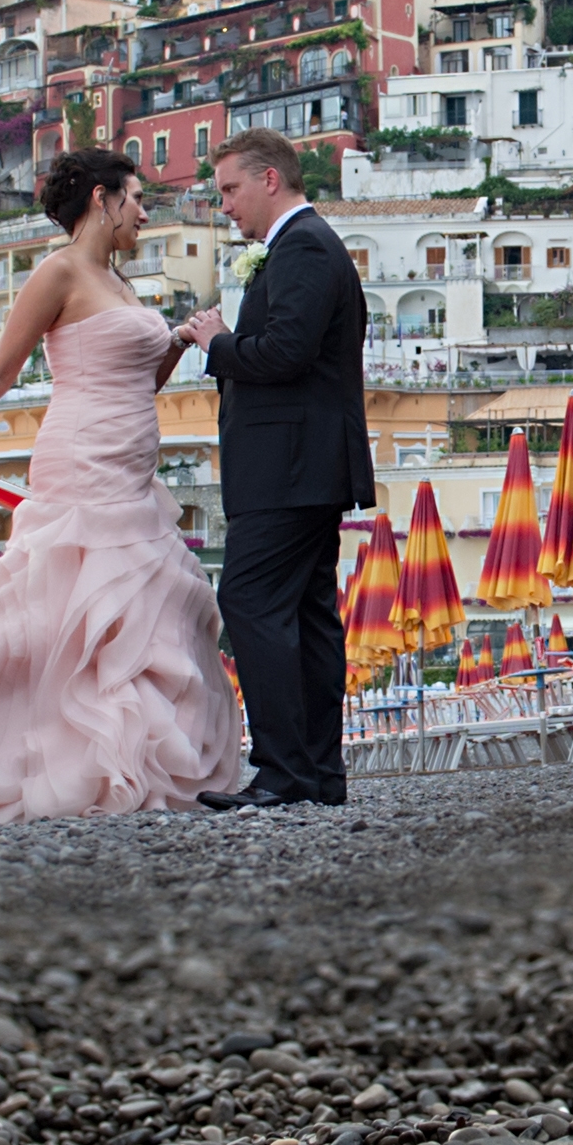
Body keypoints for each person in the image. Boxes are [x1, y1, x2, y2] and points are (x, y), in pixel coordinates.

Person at [0, 147, 241, 824]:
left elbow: (141, 382)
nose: (145, 214)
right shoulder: (59, 272)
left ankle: (142, 771)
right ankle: (73, 773)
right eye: (136, 198)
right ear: (101, 199)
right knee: (80, 609)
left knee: (145, 612)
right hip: (80, 458)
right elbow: (1, 373)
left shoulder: (119, 280)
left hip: (132, 466)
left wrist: (176, 344)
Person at [181, 127, 374, 807]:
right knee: (308, 613)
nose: (225, 205)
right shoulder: (300, 248)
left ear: (270, 180)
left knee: (251, 601)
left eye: (230, 189)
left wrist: (218, 344)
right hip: (301, 466)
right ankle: (317, 775)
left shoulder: (303, 249)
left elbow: (284, 353)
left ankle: (286, 771)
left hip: (289, 468)